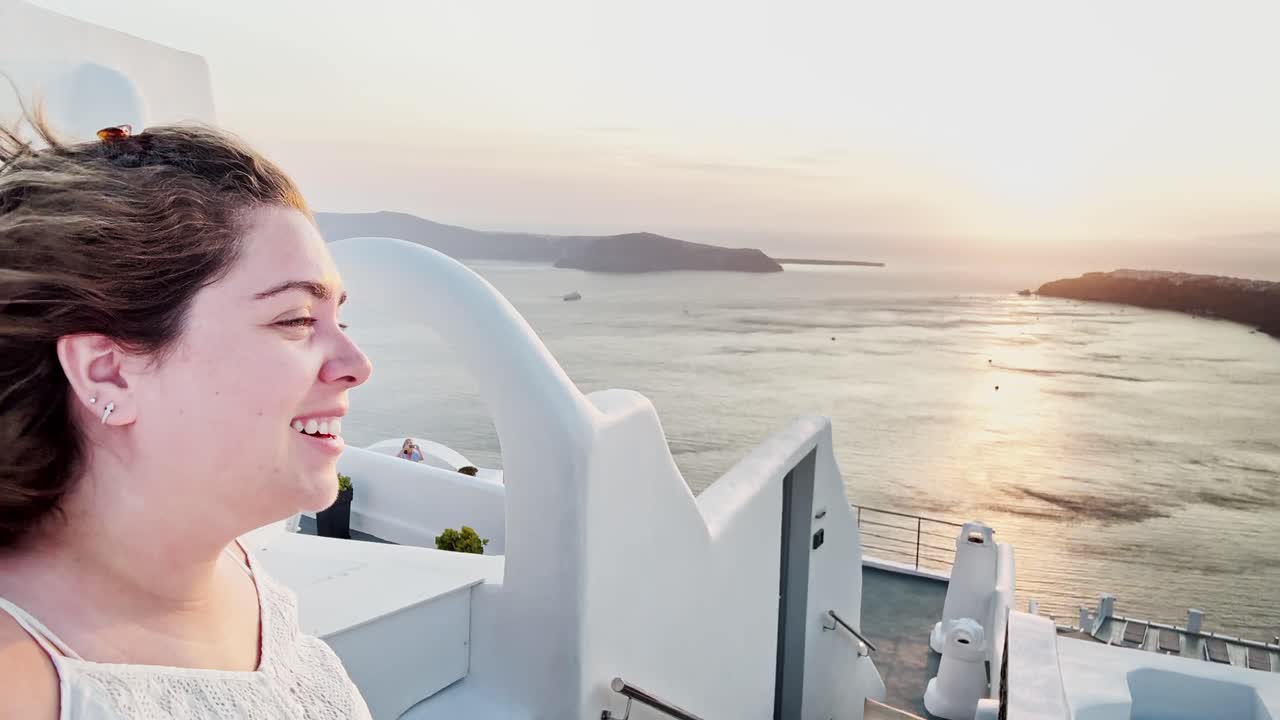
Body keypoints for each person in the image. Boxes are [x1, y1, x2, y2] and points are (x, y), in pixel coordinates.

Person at [0, 117, 375, 718]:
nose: (357, 365)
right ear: (107, 372)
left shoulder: (245, 575)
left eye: (340, 320)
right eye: (297, 319)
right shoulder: (21, 684)